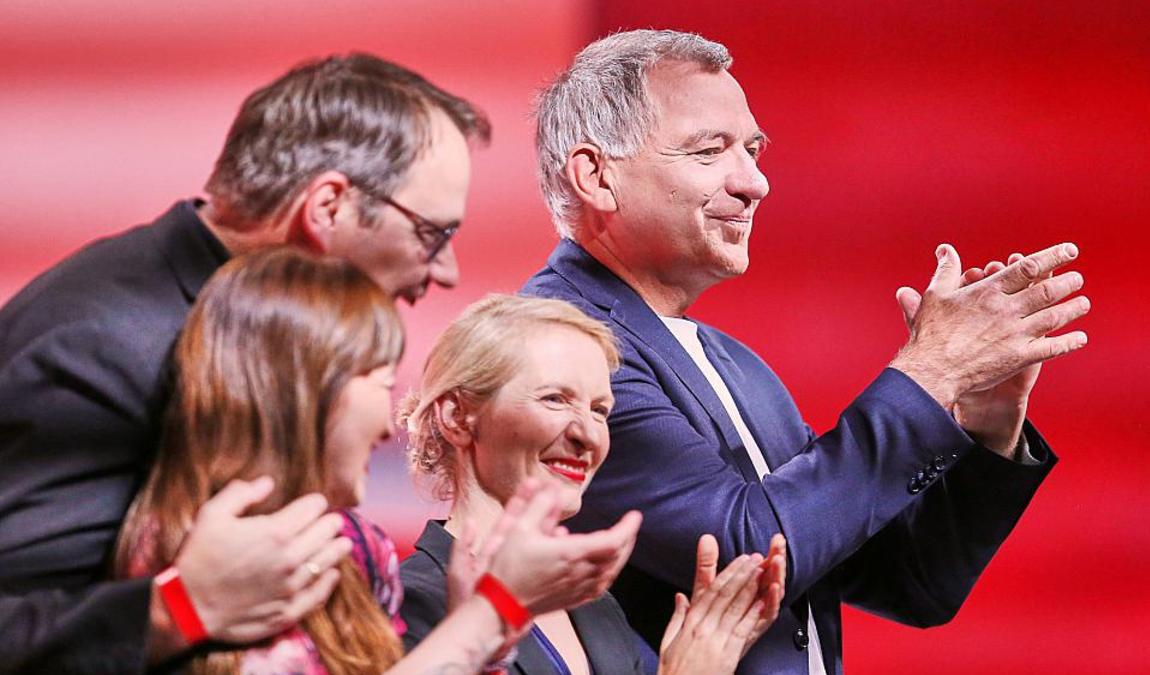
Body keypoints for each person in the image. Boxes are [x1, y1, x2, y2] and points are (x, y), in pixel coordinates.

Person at [521, 29, 1091, 673]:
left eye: (753, 149)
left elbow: (911, 582)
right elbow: (740, 551)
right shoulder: (561, 345)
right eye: (710, 151)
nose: (754, 182)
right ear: (596, 175)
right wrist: (931, 371)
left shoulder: (733, 361)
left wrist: (982, 421)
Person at [0, 53, 486, 674]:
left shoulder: (221, 323)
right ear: (328, 208)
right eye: (432, 234)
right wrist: (177, 610)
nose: (447, 272)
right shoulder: (105, 347)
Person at [116, 248, 640, 675]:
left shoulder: (360, 554)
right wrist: (485, 619)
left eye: (600, 409)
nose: (392, 423)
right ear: (303, 391)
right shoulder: (167, 542)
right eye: (382, 380)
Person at [397, 294, 788, 675]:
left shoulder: (595, 607)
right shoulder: (410, 601)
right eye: (554, 399)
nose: (589, 436)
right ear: (457, 417)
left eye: (600, 410)